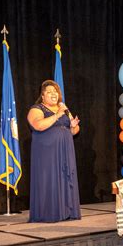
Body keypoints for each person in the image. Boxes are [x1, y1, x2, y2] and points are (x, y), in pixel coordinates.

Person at [27, 80, 81, 222]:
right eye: (49, 92)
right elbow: (38, 125)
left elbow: (74, 131)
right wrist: (57, 115)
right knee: (49, 178)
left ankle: (67, 211)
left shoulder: (62, 108)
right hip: (47, 153)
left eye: (55, 92)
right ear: (42, 96)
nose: (53, 94)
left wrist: (74, 126)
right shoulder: (37, 109)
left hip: (65, 150)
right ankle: (48, 213)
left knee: (65, 177)